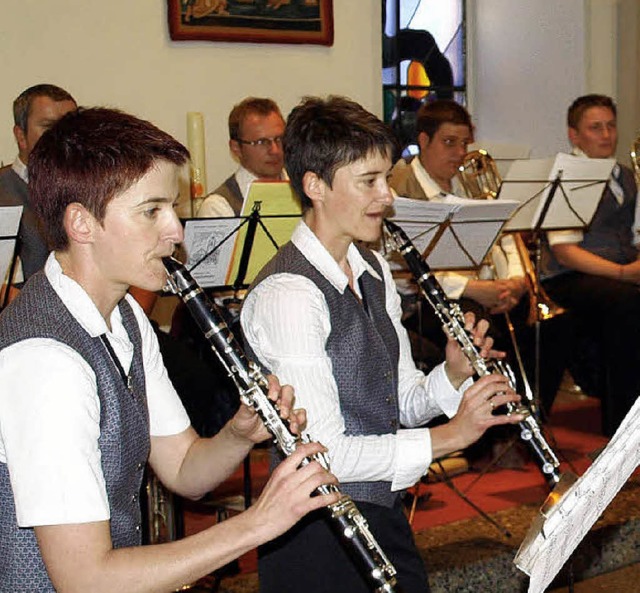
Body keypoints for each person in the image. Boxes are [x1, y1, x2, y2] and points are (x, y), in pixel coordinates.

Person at [0, 106, 339, 592]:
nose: (176, 230)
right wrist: (256, 524)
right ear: (81, 223)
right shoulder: (44, 362)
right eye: (151, 211)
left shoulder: (127, 316)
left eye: (172, 208)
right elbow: (86, 580)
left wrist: (238, 435)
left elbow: (183, 469)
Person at [240, 95, 524, 593]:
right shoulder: (290, 294)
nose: (387, 196)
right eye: (368, 181)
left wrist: (453, 376)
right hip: (316, 533)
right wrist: (450, 438)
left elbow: (401, 404)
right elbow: (322, 456)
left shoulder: (371, 269)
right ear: (315, 186)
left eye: (386, 178)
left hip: (379, 512)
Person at [541, 94, 640, 436]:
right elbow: (566, 252)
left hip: (615, 272)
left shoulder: (625, 175)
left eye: (611, 126)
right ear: (574, 135)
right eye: (595, 127)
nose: (606, 134)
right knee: (628, 304)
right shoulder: (568, 176)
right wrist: (625, 273)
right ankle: (621, 428)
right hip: (568, 277)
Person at [388, 99, 527, 318]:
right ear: (424, 141)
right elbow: (400, 268)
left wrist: (517, 281)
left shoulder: (472, 180)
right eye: (449, 142)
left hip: (494, 288)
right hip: (433, 301)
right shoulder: (398, 189)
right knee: (475, 321)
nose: (460, 152)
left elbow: (507, 237)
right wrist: (470, 289)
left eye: (464, 143)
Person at [0, 84, 77, 287]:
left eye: (70, 127)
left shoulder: (95, 190)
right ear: (21, 136)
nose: (63, 137)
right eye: (48, 127)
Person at [196, 97, 286, 218]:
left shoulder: (306, 190)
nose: (275, 150)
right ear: (236, 148)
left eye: (279, 139)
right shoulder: (218, 207)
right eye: (261, 142)